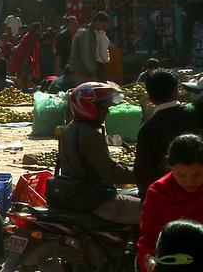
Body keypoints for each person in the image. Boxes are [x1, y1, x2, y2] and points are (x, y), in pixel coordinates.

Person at [59, 82, 141, 224]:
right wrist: (143, 174)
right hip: (96, 203)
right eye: (103, 107)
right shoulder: (90, 135)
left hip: (75, 196)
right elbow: (112, 174)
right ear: (88, 107)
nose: (107, 111)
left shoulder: (68, 130)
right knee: (156, 210)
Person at [137, 134, 203, 272]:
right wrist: (150, 262)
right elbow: (147, 242)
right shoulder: (158, 192)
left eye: (197, 175)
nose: (189, 182)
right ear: (170, 167)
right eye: (181, 175)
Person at [135, 69, 200, 201]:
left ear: (151, 99)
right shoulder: (196, 116)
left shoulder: (147, 129)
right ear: (176, 92)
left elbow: (144, 174)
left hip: (170, 200)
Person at [70, 11, 109, 84]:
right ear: (97, 22)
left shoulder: (87, 32)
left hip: (83, 70)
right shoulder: (86, 33)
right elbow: (86, 55)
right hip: (83, 71)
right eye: (103, 25)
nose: (104, 28)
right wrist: (92, 70)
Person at [12, 22, 43, 91]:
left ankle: (25, 87)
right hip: (21, 55)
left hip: (25, 54)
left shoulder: (33, 35)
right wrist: (27, 58)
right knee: (24, 72)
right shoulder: (30, 36)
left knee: (26, 71)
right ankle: (24, 88)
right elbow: (28, 48)